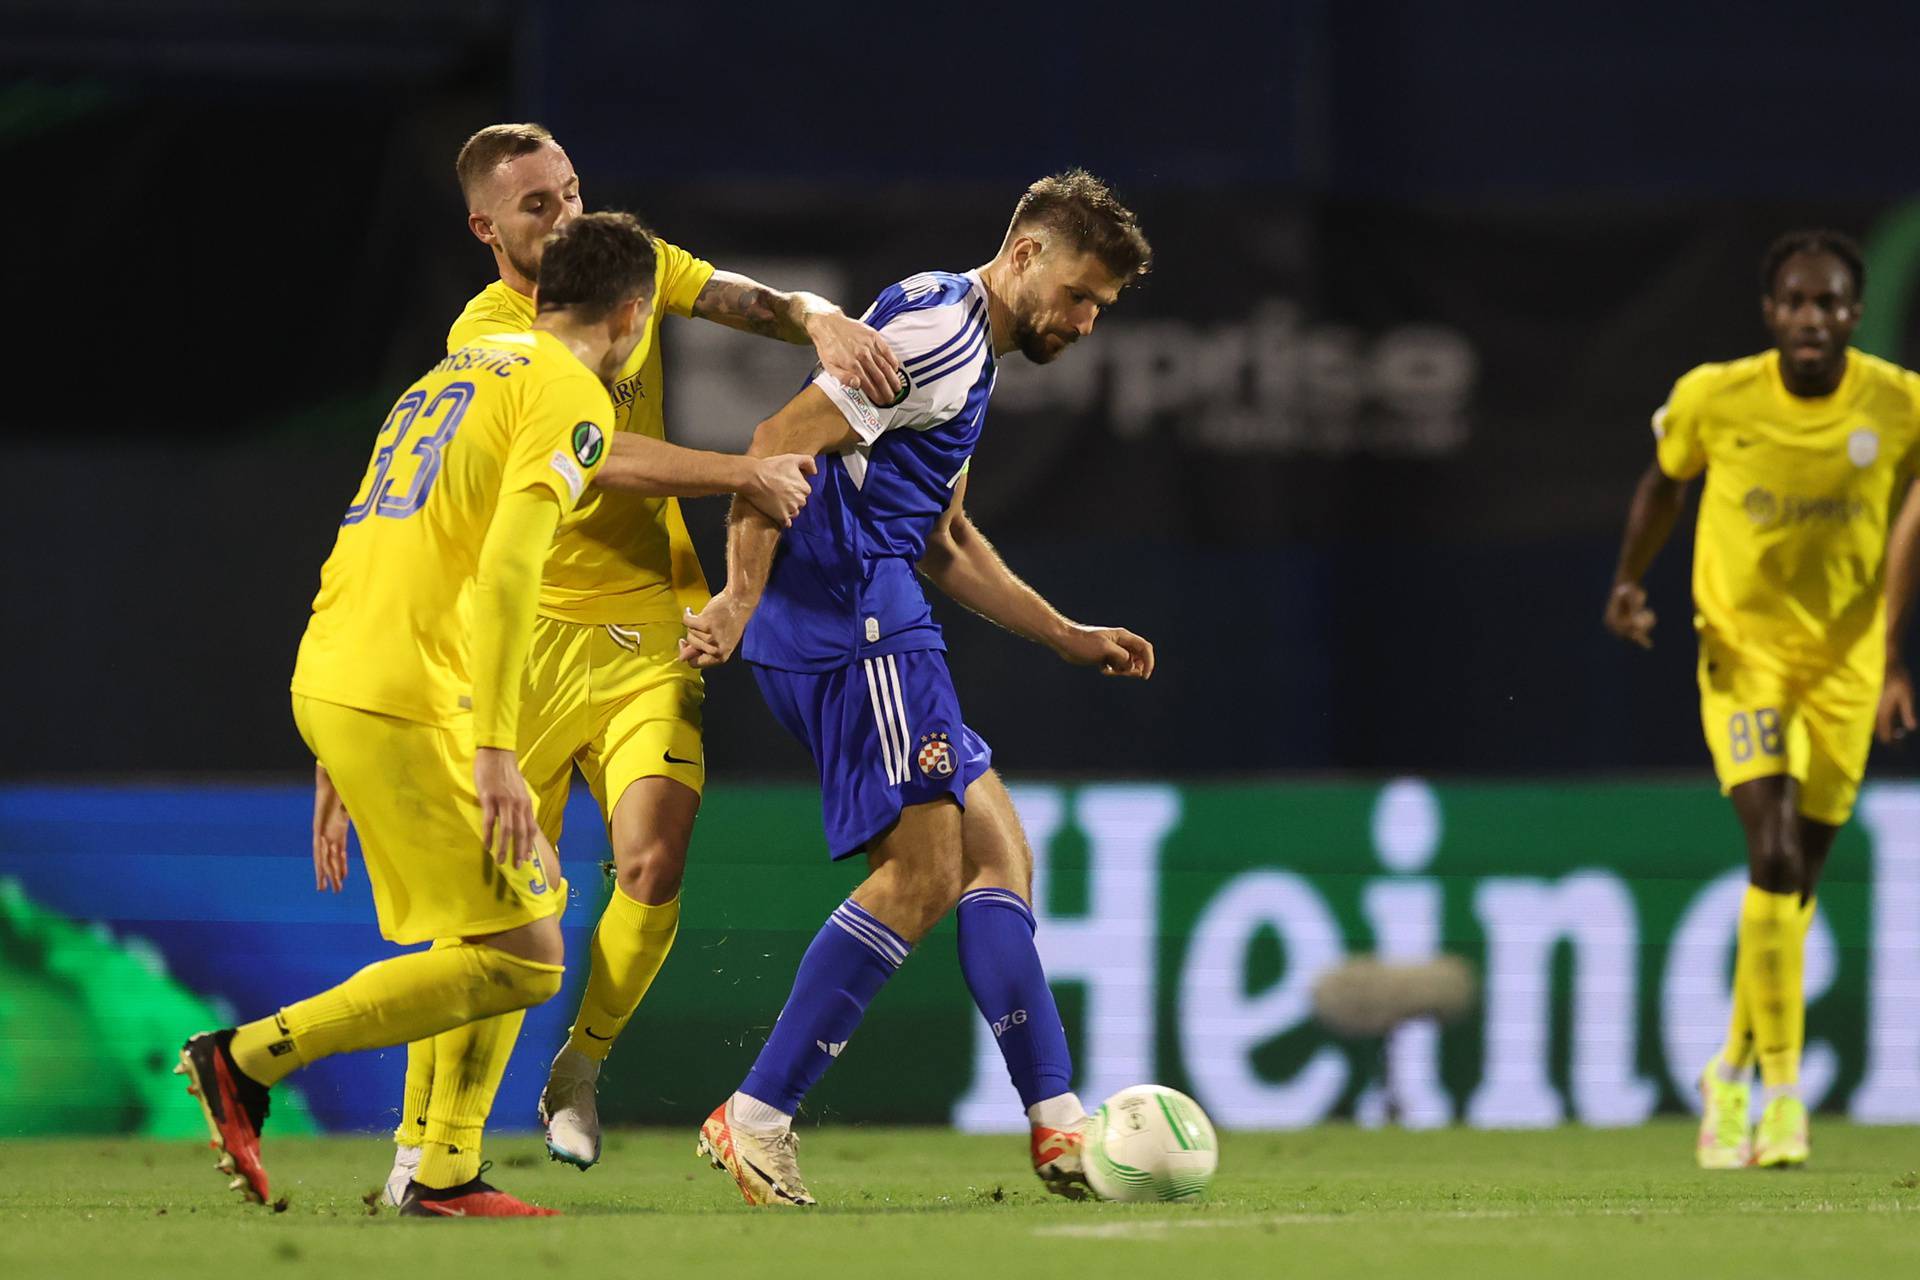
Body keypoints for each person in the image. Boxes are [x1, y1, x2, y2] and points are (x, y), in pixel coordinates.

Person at [352, 122, 904, 1199]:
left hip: (648, 624)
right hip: (522, 643)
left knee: (651, 859)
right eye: (535, 207)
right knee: (504, 909)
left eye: (569, 191)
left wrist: (820, 316)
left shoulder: (619, 261)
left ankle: (583, 1064)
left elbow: (733, 293)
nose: (563, 217)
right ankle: (426, 1145)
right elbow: (595, 457)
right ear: (483, 228)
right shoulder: (493, 332)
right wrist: (739, 474)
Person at [183, 212, 695, 1217]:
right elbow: (509, 565)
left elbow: (376, 535)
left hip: (347, 667)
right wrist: (497, 749)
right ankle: (245, 1059)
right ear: (633, 316)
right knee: (525, 952)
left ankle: (443, 1170)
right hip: (409, 693)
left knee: (501, 924)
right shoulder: (574, 396)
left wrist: (336, 746)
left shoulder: (454, 372)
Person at [678, 170, 1155, 1206]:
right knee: (929, 872)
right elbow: (773, 448)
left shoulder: (961, 338)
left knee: (997, 853)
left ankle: (1058, 1123)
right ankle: (758, 1112)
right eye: (1079, 294)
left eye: (1100, 311)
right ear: (1025, 253)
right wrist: (737, 596)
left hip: (873, 602)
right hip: (853, 614)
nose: (1083, 321)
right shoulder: (942, 334)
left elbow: (943, 535)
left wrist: (1064, 634)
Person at [1603, 229, 1920, 1170]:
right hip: (1741, 654)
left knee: (1796, 884)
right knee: (1773, 854)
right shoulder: (1717, 396)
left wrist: (1895, 655)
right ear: (1771, 313)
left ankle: (1730, 1066)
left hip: (1846, 667)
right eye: (1795, 302)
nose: (1811, 318)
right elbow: (1663, 485)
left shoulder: (1898, 405)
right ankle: (1781, 1098)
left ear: (1855, 316)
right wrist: (1628, 581)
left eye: (1829, 304)